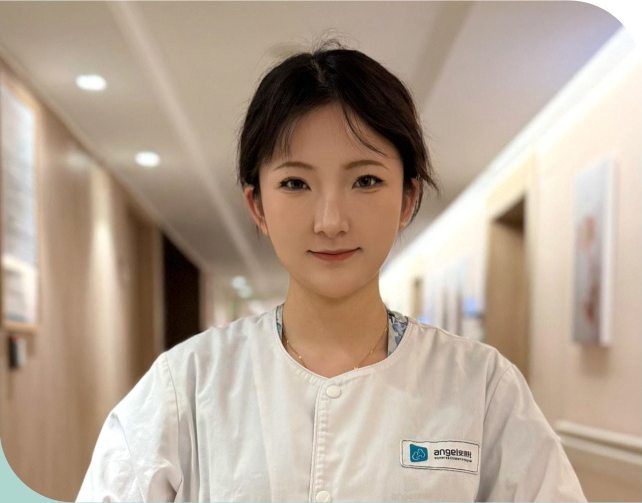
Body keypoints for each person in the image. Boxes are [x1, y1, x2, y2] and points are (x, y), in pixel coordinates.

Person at [76, 41, 587, 502]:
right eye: (295, 184)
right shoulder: (185, 385)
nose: (330, 221)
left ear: (407, 198)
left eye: (365, 180)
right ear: (258, 206)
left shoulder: (483, 386)